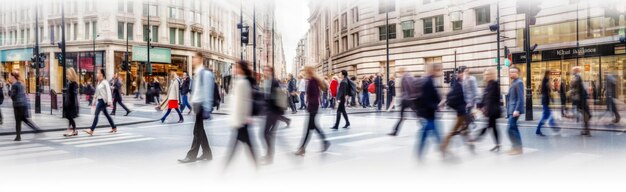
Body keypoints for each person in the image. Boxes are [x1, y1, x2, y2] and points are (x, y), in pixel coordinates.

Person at [178, 53, 214, 163]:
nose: (193, 60)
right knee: (199, 130)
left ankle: (191, 156)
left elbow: (208, 91)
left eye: (195, 58)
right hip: (198, 105)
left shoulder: (205, 74)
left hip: (202, 105)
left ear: (201, 59)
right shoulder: (198, 73)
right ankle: (207, 153)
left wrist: (207, 107)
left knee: (197, 132)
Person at [225, 60, 258, 166]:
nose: (234, 69)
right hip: (241, 120)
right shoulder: (241, 81)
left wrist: (239, 120)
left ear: (242, 69)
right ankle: (256, 165)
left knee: (235, 148)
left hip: (240, 121)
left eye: (237, 67)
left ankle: (225, 169)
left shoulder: (242, 83)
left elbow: (242, 103)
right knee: (246, 144)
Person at [296, 66, 331, 156]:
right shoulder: (312, 80)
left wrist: (310, 106)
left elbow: (315, 95)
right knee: (312, 127)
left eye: (306, 70)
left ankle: (302, 148)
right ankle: (324, 142)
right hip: (313, 107)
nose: (304, 72)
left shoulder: (313, 81)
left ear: (309, 71)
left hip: (313, 107)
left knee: (309, 128)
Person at [261, 66, 291, 164]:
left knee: (266, 133)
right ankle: (269, 155)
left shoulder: (274, 82)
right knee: (268, 134)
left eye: (266, 70)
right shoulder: (267, 81)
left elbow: (276, 97)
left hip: (273, 112)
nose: (264, 72)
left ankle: (269, 157)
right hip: (271, 112)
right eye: (263, 70)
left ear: (270, 72)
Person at [440, 69, 472, 156]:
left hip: (462, 111)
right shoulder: (457, 85)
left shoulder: (460, 84)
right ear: (459, 74)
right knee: (454, 130)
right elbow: (455, 97)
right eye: (462, 74)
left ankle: (470, 142)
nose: (463, 75)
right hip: (460, 112)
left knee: (465, 128)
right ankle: (444, 146)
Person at [416, 63, 442, 159]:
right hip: (428, 113)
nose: (440, 72)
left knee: (426, 134)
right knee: (435, 134)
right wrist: (436, 106)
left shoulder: (431, 80)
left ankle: (419, 154)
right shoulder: (428, 81)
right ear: (434, 70)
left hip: (428, 114)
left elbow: (433, 96)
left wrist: (438, 102)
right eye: (439, 70)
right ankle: (443, 151)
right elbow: (426, 99)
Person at [473, 69, 501, 152]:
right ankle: (497, 145)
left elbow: (490, 99)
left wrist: (484, 109)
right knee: (493, 127)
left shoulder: (494, 85)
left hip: (493, 111)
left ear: (492, 75)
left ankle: (475, 139)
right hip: (490, 110)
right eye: (485, 74)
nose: (486, 76)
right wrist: (479, 107)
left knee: (489, 126)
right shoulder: (488, 85)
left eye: (488, 74)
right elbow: (484, 98)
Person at [9, 71, 41, 141]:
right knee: (23, 119)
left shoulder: (14, 85)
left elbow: (12, 96)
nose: (9, 77)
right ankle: (35, 129)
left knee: (18, 121)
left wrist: (9, 92)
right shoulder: (21, 83)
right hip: (23, 104)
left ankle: (18, 136)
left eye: (10, 76)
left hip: (18, 105)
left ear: (13, 77)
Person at [84, 69, 117, 136]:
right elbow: (96, 93)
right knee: (106, 114)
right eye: (97, 73)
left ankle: (91, 130)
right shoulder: (99, 83)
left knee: (96, 114)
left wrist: (110, 101)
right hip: (99, 100)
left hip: (103, 101)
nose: (97, 74)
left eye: (98, 73)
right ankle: (114, 127)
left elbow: (108, 92)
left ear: (102, 74)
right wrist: (93, 101)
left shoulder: (105, 82)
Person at [389, 68, 417, 136]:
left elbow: (407, 89)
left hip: (405, 99)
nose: (399, 74)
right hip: (409, 99)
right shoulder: (410, 77)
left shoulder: (405, 78)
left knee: (402, 117)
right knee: (416, 114)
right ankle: (395, 131)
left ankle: (395, 131)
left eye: (400, 73)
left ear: (402, 72)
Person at [535, 70, 560, 136]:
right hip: (545, 101)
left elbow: (547, 91)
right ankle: (555, 128)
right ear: (548, 74)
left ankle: (538, 130)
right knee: (549, 115)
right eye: (550, 73)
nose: (551, 75)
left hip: (545, 101)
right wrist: (551, 99)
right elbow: (548, 91)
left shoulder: (544, 80)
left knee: (545, 116)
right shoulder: (546, 80)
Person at [507, 67, 524, 155]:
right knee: (512, 129)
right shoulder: (513, 82)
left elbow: (520, 98)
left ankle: (518, 148)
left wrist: (517, 110)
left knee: (511, 129)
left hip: (514, 110)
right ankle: (515, 147)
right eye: (510, 72)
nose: (510, 73)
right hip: (511, 110)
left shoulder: (519, 82)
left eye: (512, 72)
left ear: (517, 73)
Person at [571, 66, 591, 136]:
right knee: (585, 114)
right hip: (582, 100)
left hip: (581, 100)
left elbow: (576, 89)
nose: (572, 72)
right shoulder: (578, 78)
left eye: (573, 71)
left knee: (585, 114)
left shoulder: (577, 78)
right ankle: (586, 130)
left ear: (576, 71)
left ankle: (587, 130)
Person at [63, 68, 80, 137]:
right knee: (69, 117)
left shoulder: (74, 84)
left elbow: (73, 94)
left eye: (68, 74)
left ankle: (73, 130)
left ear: (71, 74)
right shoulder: (69, 83)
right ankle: (71, 129)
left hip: (72, 104)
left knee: (70, 117)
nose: (66, 76)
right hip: (68, 103)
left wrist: (69, 103)